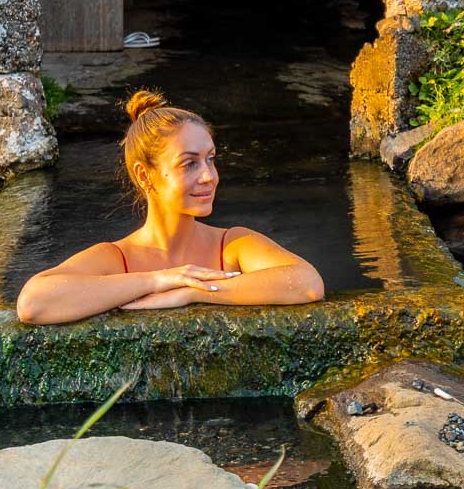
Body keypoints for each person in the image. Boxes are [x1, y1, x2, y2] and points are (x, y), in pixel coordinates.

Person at [16, 90, 325, 325]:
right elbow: (34, 303)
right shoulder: (116, 258)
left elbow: (307, 284)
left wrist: (191, 292)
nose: (209, 176)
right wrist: (159, 279)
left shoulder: (232, 245)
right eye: (189, 163)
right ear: (144, 175)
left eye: (211, 159)